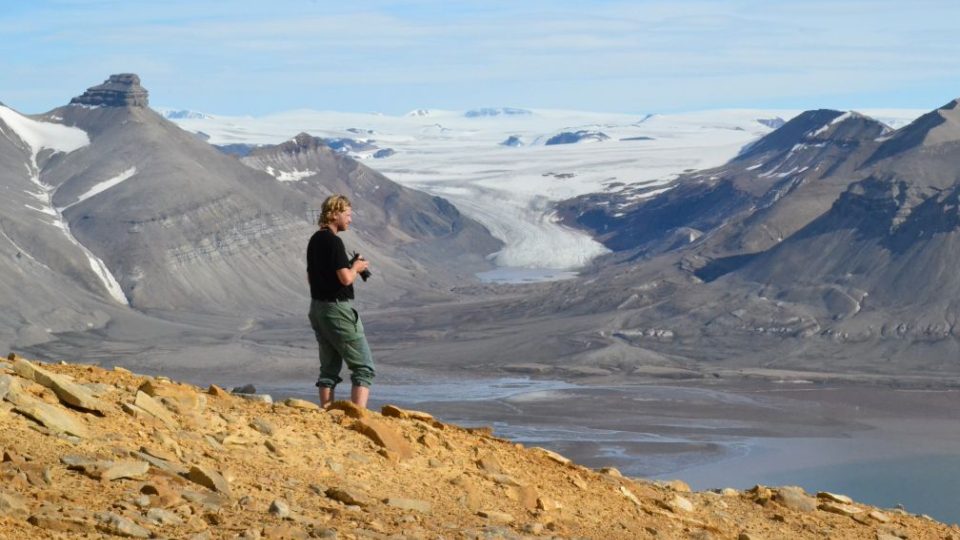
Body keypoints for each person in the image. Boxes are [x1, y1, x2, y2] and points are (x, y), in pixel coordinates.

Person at [307, 194, 374, 408]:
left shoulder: (315, 240)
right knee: (363, 367)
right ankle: (358, 417)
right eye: (347, 214)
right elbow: (345, 278)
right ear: (334, 214)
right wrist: (356, 268)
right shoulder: (334, 242)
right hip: (337, 310)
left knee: (329, 367)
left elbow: (311, 276)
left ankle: (325, 413)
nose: (350, 219)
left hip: (318, 308)